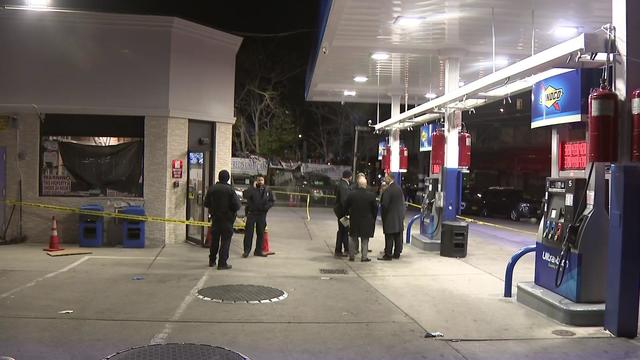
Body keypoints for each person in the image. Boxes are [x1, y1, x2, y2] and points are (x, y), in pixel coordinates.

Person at [204, 170, 241, 270]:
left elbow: (206, 203)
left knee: (214, 241)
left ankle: (212, 260)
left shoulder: (212, 189)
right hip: (227, 219)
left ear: (219, 177)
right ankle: (222, 263)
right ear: (228, 178)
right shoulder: (230, 190)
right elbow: (237, 205)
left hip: (215, 218)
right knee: (225, 241)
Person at [344, 175, 377, 262]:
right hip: (367, 220)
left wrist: (348, 214)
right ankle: (364, 257)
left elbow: (346, 206)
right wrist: (373, 218)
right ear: (365, 185)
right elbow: (375, 209)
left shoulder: (352, 194)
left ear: (358, 184)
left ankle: (351, 256)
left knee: (352, 238)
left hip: (354, 219)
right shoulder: (371, 195)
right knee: (365, 239)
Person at [242, 175, 275, 257]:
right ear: (256, 181)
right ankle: (246, 251)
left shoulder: (267, 190)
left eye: (262, 180)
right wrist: (253, 188)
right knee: (249, 233)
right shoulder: (251, 189)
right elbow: (245, 195)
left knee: (260, 233)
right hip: (251, 214)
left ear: (264, 181)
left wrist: (266, 207)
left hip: (262, 214)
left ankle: (258, 251)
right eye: (258, 180)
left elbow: (272, 200)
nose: (260, 182)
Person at [378, 174, 406, 261]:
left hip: (390, 217)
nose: (385, 179)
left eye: (386, 177)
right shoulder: (399, 189)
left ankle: (388, 254)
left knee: (389, 236)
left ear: (390, 178)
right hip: (398, 216)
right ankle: (397, 253)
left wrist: (383, 215)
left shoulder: (388, 190)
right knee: (398, 235)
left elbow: (385, 205)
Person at [333, 169, 352, 257]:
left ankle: (339, 249)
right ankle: (344, 249)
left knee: (342, 230)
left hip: (340, 212)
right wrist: (348, 213)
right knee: (344, 231)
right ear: (349, 177)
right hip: (343, 213)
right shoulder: (344, 186)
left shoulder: (340, 184)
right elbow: (344, 201)